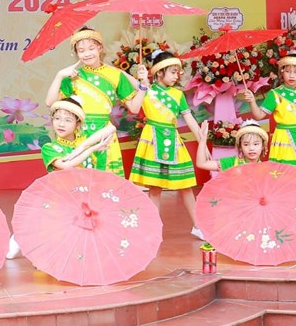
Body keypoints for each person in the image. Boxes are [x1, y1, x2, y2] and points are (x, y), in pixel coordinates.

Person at [7, 96, 115, 260]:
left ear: (78, 124)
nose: (61, 124)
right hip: (59, 196)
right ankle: (18, 239)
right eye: (57, 118)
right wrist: (90, 150)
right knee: (45, 229)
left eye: (67, 120)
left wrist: (83, 147)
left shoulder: (83, 142)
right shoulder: (50, 147)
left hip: (82, 195)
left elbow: (110, 129)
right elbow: (66, 166)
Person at [44, 28, 148, 177]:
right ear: (76, 53)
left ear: (100, 47)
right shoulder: (74, 76)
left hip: (104, 133)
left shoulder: (115, 75)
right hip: (79, 133)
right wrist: (59, 75)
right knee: (81, 180)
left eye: (91, 48)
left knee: (105, 180)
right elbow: (50, 102)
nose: (87, 54)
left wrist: (143, 85)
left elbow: (134, 108)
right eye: (81, 50)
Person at [130, 50, 202, 239]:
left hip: (174, 142)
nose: (177, 76)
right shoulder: (146, 89)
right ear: (159, 72)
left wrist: (201, 141)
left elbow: (189, 118)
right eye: (173, 72)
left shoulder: (178, 94)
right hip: (153, 139)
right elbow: (127, 83)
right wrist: (141, 79)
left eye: (178, 72)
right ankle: (154, 229)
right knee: (155, 188)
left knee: (185, 185)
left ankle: (198, 225)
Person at [244, 55, 296, 180]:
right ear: (282, 72)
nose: (292, 76)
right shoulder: (275, 94)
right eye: (288, 71)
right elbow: (258, 115)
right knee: (286, 176)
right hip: (285, 137)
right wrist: (252, 102)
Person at [194, 119, 268, 173]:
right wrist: (203, 139)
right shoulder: (232, 163)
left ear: (263, 146)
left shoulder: (266, 169)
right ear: (240, 147)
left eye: (256, 144)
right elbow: (201, 163)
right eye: (246, 144)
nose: (251, 148)